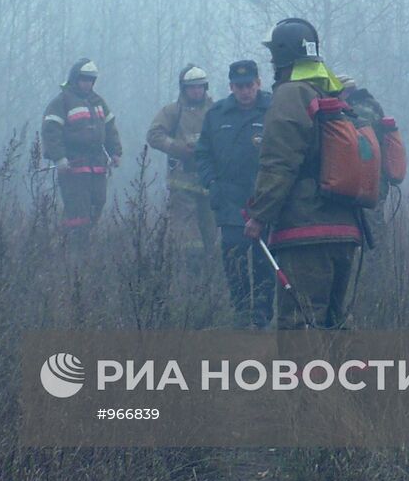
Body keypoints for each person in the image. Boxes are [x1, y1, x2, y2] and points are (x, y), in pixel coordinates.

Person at [243, 18, 363, 330]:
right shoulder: (331, 93)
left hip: (306, 233)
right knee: (337, 324)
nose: (270, 62)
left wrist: (259, 215)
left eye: (273, 55)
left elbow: (279, 161)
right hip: (345, 230)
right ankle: (349, 380)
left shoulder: (291, 94)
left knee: (299, 324)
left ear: (282, 56)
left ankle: (300, 381)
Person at [194, 60, 273, 327]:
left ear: (258, 83)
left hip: (265, 200)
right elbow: (202, 154)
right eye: (239, 86)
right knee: (234, 259)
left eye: (249, 85)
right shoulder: (216, 115)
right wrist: (211, 184)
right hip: (229, 202)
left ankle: (262, 316)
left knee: (265, 262)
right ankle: (241, 313)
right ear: (231, 87)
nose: (245, 91)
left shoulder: (273, 111)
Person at [42, 58, 122, 238]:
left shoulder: (98, 101)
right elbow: (50, 132)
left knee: (98, 203)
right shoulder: (62, 101)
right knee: (78, 211)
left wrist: (115, 152)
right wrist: (59, 157)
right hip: (73, 166)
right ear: (75, 79)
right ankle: (73, 249)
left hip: (98, 166)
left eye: (90, 80)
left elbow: (110, 129)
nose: (87, 84)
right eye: (84, 79)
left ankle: (86, 244)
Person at [147, 64, 218, 264]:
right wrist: (178, 148)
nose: (197, 91)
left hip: (209, 182)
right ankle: (189, 268)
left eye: (200, 86)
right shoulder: (172, 111)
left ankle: (209, 271)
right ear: (183, 89)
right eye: (192, 87)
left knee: (210, 230)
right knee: (188, 233)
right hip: (182, 182)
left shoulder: (216, 111)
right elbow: (154, 135)